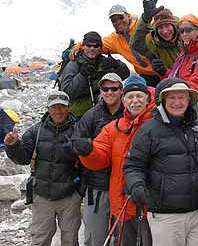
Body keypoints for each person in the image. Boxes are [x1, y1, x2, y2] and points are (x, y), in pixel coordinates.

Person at [124, 78, 198, 246]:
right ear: (163, 100)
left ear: (189, 100)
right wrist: (136, 185)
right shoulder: (149, 129)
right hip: (165, 215)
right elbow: (133, 165)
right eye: (172, 98)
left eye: (182, 97)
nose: (177, 102)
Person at [73, 74, 154, 246]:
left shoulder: (158, 124)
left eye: (139, 96)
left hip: (153, 205)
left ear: (147, 98)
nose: (135, 101)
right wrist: (88, 151)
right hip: (123, 203)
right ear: (124, 100)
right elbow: (100, 158)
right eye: (130, 97)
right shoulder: (113, 128)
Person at [4, 91, 81, 246]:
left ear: (69, 108)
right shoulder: (35, 131)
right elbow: (23, 158)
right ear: (48, 108)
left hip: (70, 195)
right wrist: (13, 146)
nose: (58, 111)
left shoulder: (79, 130)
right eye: (54, 107)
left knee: (70, 240)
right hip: (42, 195)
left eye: (62, 107)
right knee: (40, 239)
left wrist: (82, 189)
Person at [72, 73, 124, 246]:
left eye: (114, 88)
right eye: (105, 88)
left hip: (124, 186)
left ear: (121, 90)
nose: (109, 92)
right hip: (97, 186)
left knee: (123, 236)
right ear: (100, 91)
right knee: (95, 236)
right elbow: (76, 142)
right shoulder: (91, 115)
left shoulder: (131, 113)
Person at [70, 5, 161, 86]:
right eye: (114, 20)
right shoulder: (114, 39)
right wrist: (78, 46)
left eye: (121, 17)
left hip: (165, 68)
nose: (118, 22)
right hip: (147, 76)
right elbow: (95, 44)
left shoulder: (143, 25)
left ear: (128, 16)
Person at [61, 31, 130, 117]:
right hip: (79, 113)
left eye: (96, 46)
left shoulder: (103, 62)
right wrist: (82, 76)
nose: (92, 48)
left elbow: (125, 74)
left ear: (100, 48)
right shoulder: (74, 65)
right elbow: (67, 93)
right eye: (88, 45)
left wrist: (116, 64)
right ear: (83, 47)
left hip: (102, 107)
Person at [130, 0, 183, 78]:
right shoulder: (153, 43)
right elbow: (135, 43)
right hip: (173, 82)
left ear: (174, 26)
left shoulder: (185, 34)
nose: (165, 31)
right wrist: (145, 19)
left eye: (167, 26)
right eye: (160, 27)